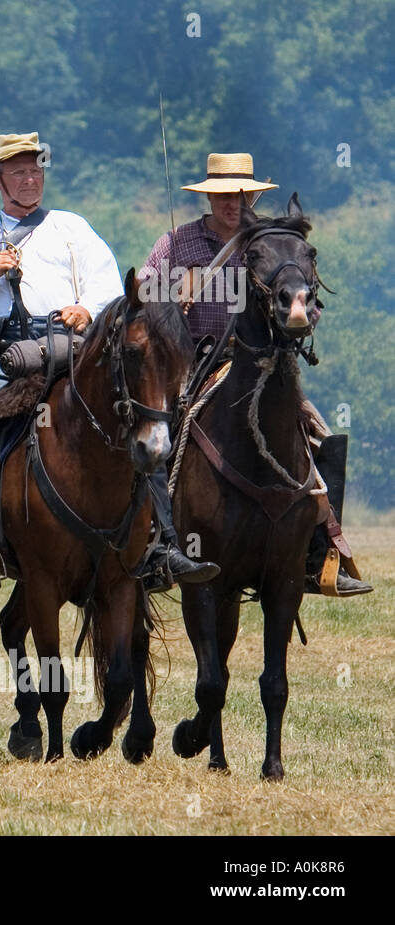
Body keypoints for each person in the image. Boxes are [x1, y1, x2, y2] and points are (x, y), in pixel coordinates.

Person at [0, 131, 216, 592]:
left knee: (140, 421)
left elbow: (110, 291)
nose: (31, 179)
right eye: (19, 172)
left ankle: (163, 546)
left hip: (71, 350)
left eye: (36, 169)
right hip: (2, 356)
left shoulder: (72, 227)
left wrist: (86, 311)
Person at [141, 153, 369, 596]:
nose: (233, 203)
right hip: (192, 363)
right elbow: (142, 294)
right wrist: (169, 300)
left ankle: (319, 554)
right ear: (210, 198)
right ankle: (154, 547)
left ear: (252, 197)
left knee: (321, 439)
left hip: (263, 365)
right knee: (154, 443)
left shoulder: (273, 242)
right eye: (224, 195)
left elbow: (308, 302)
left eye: (241, 195)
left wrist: (303, 315)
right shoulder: (176, 243)